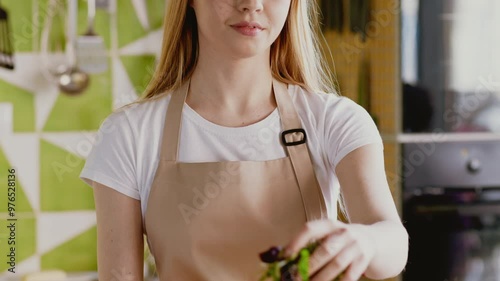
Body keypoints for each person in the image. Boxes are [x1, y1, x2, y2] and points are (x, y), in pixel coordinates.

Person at [79, 0, 408, 280]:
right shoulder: (129, 134)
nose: (252, 4)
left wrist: (366, 241)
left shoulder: (334, 121)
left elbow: (393, 242)